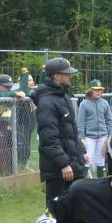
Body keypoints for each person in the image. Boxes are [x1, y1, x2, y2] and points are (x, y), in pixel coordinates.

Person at [33, 57, 89, 212]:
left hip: (73, 164)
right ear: (57, 77)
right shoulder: (47, 102)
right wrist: (63, 164)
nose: (70, 76)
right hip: (58, 170)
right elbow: (48, 138)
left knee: (76, 210)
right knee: (56, 211)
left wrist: (81, 151)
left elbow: (71, 130)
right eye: (66, 74)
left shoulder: (63, 97)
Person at [78, 80, 112, 178]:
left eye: (100, 90)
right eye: (96, 90)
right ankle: (83, 181)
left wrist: (110, 135)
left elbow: (109, 120)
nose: (98, 92)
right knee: (87, 159)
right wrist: (82, 137)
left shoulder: (105, 103)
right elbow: (81, 122)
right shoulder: (84, 104)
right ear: (90, 90)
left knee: (101, 159)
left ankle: (100, 181)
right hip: (89, 136)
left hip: (103, 135)